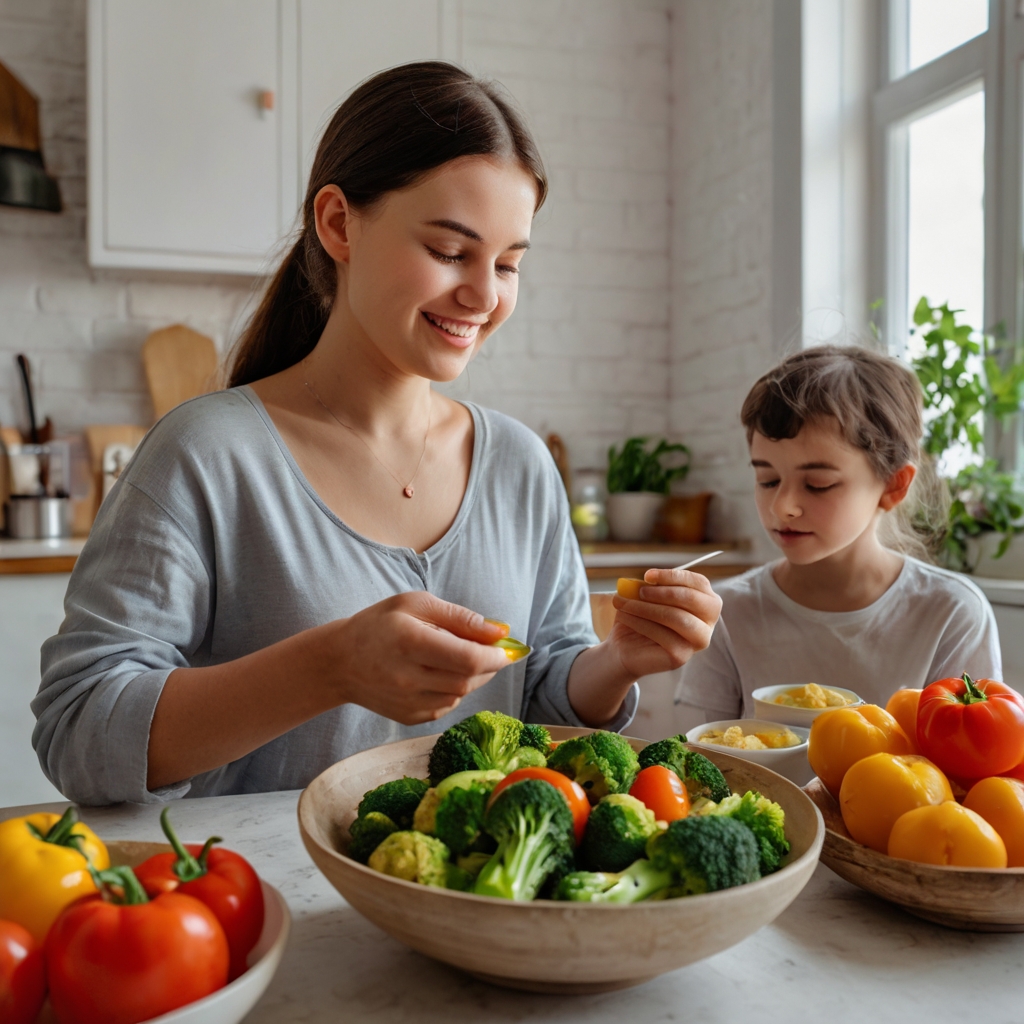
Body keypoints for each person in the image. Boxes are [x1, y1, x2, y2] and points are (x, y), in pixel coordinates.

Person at [33, 62, 722, 805]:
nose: (483, 295)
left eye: (508, 264)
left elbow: (538, 701)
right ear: (338, 223)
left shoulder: (520, 464)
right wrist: (328, 667)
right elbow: (79, 731)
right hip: (260, 878)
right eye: (450, 252)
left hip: (474, 881)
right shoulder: (206, 454)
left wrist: (619, 660)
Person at [675, 344, 1001, 722]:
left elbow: (968, 753)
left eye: (818, 484)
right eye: (768, 479)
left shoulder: (952, 612)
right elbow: (698, 751)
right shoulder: (726, 612)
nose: (782, 506)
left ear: (893, 485)